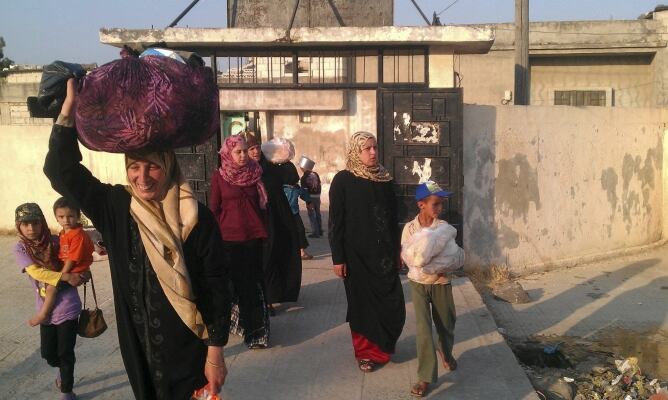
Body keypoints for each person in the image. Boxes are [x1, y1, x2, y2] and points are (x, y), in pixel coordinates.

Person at [44, 78, 231, 400]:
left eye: (152, 167)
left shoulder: (196, 218)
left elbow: (217, 286)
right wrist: (68, 113)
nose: (142, 178)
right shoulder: (116, 207)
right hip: (138, 344)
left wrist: (216, 353)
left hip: (189, 343)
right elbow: (61, 171)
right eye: (134, 167)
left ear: (169, 167)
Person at [329, 131, 406, 372]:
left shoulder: (384, 179)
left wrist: (397, 252)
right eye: (367, 149)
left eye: (374, 147)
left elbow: (393, 220)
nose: (373, 152)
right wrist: (338, 258)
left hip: (384, 256)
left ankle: (383, 347)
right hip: (356, 258)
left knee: (392, 305)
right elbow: (336, 222)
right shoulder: (343, 180)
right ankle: (365, 353)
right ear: (356, 151)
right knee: (362, 307)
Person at [14, 202, 85, 400]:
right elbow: (36, 272)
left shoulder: (57, 240)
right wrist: (65, 277)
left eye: (35, 223)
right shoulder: (21, 248)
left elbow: (76, 259)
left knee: (66, 353)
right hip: (44, 309)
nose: (31, 228)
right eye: (25, 224)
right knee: (48, 354)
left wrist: (81, 273)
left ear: (43, 222)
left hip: (68, 306)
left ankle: (67, 390)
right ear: (18, 225)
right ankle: (61, 371)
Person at [400, 181, 464, 397]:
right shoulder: (409, 230)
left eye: (441, 204)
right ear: (421, 204)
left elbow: (453, 257)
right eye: (436, 204)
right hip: (418, 284)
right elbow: (410, 258)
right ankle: (425, 376)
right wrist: (429, 264)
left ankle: (445, 352)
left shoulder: (443, 228)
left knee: (446, 323)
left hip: (441, 283)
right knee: (424, 329)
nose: (440, 209)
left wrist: (440, 267)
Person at [210, 134, 270, 349]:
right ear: (228, 153)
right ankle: (235, 324)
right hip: (230, 241)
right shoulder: (220, 177)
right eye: (238, 151)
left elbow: (263, 208)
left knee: (252, 286)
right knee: (231, 286)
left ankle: (256, 332)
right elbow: (214, 210)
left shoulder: (256, 173)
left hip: (253, 238)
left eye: (245, 151)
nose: (244, 155)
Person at [245, 131, 302, 311]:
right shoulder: (242, 171)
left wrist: (283, 157)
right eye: (250, 149)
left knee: (281, 251)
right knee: (264, 256)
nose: (255, 152)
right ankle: (266, 297)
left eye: (256, 148)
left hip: (279, 216)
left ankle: (277, 292)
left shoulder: (269, 166)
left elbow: (292, 177)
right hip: (257, 218)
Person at [29, 197, 94, 327]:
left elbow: (72, 259)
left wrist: (60, 276)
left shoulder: (78, 235)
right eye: (61, 216)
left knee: (51, 288)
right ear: (56, 217)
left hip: (74, 270)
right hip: (68, 269)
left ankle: (42, 315)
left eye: (70, 216)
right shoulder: (63, 233)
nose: (66, 220)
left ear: (78, 216)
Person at [299, 157, 323, 238]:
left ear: (303, 167)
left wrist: (308, 202)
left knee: (312, 215)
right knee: (318, 213)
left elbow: (304, 191)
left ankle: (315, 232)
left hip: (310, 198)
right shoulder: (316, 174)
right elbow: (319, 185)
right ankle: (320, 230)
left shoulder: (304, 178)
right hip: (317, 197)